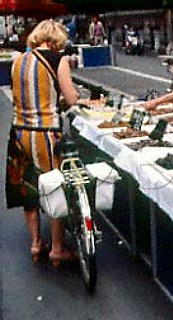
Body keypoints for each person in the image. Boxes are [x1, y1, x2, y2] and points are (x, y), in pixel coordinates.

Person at [6, 19, 79, 265]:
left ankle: (36, 242)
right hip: (44, 133)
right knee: (53, 186)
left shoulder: (18, 60)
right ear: (56, 40)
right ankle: (57, 249)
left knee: (28, 186)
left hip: (18, 132)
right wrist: (70, 95)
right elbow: (70, 98)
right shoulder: (57, 60)